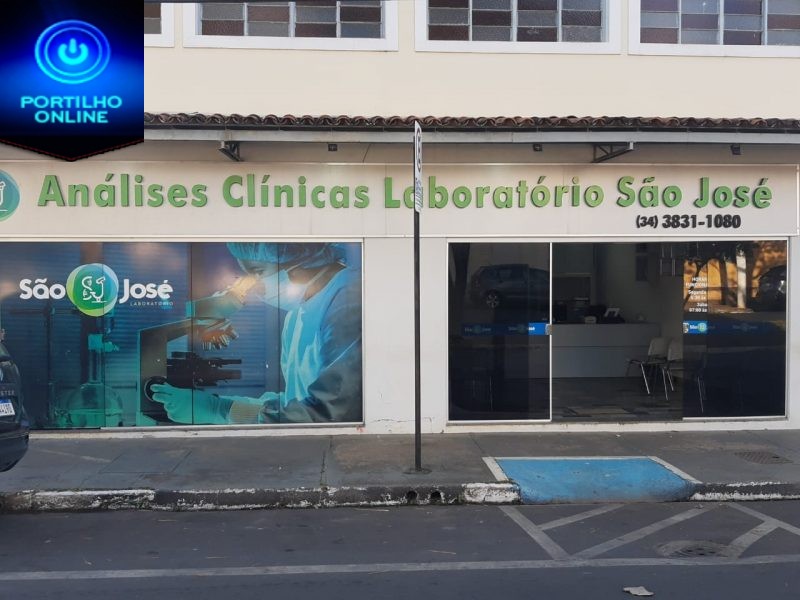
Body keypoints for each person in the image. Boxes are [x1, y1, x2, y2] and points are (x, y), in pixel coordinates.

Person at [151, 242, 362, 424]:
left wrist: (219, 411)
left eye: (258, 271)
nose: (254, 285)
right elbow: (294, 401)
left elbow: (328, 413)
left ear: (298, 261)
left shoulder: (349, 298)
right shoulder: (297, 314)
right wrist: (223, 404)